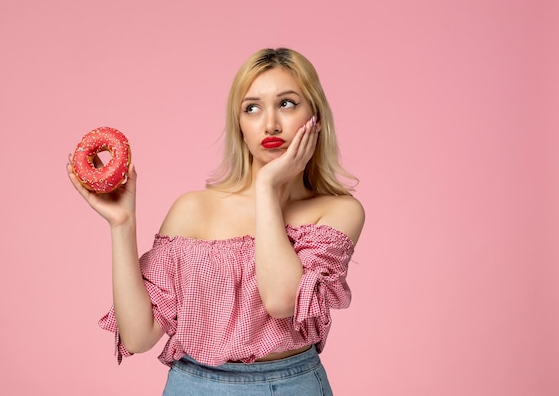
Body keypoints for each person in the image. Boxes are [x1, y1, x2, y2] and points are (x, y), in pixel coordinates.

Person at [68, 47, 365, 395]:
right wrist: (121, 225)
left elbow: (282, 300)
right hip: (192, 385)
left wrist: (267, 187)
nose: (270, 123)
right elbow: (138, 336)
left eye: (286, 103)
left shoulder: (338, 211)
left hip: (290, 385)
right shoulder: (194, 209)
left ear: (315, 115)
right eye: (251, 108)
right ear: (239, 125)